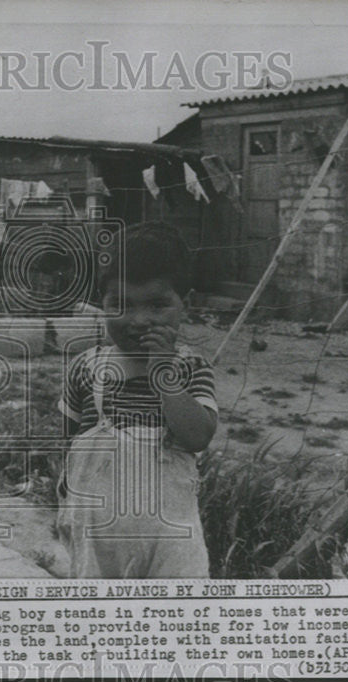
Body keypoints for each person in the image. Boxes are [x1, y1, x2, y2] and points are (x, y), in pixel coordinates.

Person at [57, 222, 218, 578]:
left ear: (184, 305)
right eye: (121, 304)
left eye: (158, 305)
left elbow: (198, 437)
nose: (139, 320)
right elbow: (69, 442)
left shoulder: (190, 367)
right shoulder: (86, 368)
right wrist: (69, 503)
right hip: (99, 533)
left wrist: (164, 376)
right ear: (102, 304)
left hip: (170, 535)